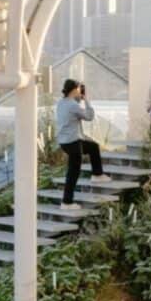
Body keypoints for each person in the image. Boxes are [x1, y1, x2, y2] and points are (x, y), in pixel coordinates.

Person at [56, 79, 111, 210]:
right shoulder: (73, 105)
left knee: (93, 147)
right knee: (73, 173)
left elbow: (73, 112)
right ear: (75, 90)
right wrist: (86, 100)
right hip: (73, 142)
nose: (80, 91)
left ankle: (97, 174)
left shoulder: (61, 103)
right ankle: (67, 202)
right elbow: (89, 116)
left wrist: (78, 99)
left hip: (65, 141)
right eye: (79, 89)